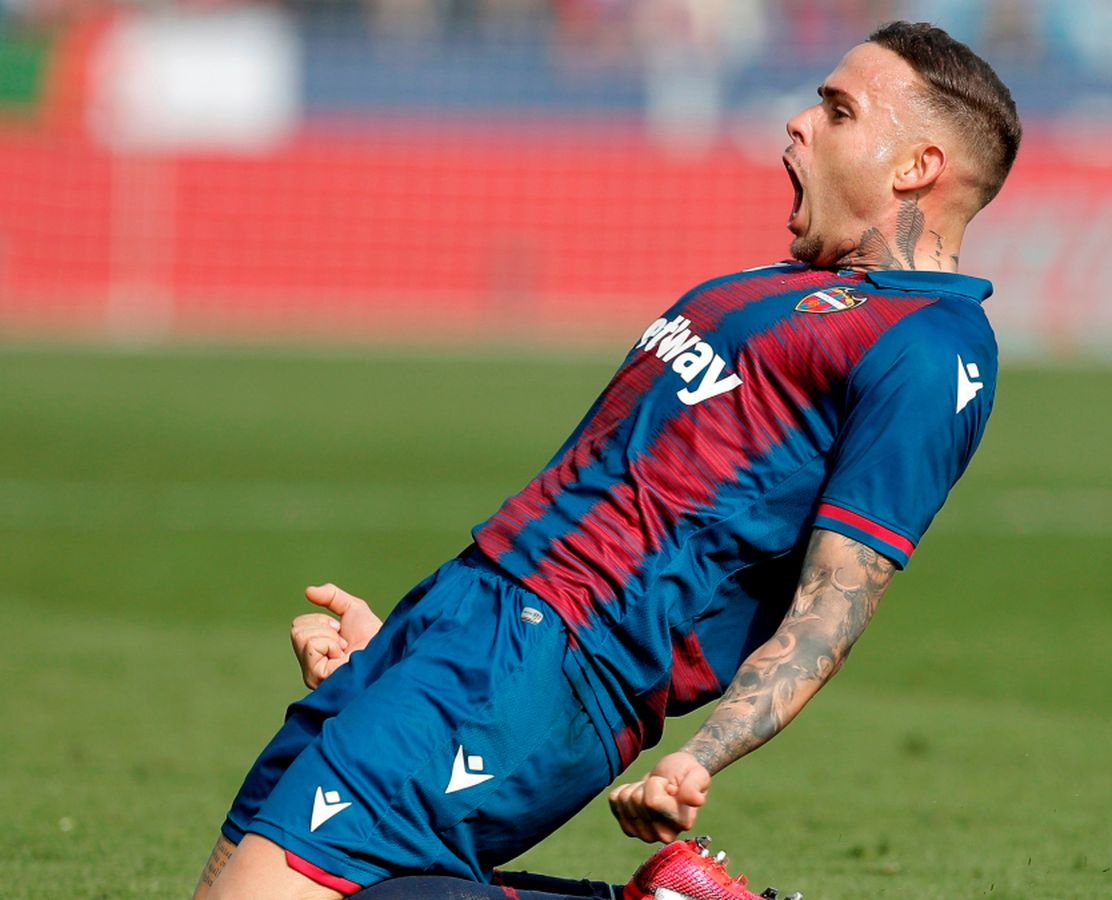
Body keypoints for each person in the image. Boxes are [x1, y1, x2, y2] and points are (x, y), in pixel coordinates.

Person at [195, 21, 1022, 900]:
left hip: (554, 664)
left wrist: (699, 758)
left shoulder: (932, 348)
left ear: (916, 169)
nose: (799, 123)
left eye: (838, 110)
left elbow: (832, 607)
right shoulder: (772, 288)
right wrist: (405, 655)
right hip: (464, 613)